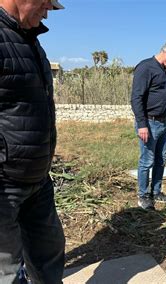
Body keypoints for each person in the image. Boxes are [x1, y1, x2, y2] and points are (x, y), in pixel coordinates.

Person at [0, 0, 66, 283]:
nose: (47, 10)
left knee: (49, 253)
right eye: (44, 2)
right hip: (4, 184)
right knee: (7, 272)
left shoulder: (31, 41)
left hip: (37, 180)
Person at [131, 39, 166, 210]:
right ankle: (143, 195)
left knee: (161, 160)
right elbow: (136, 98)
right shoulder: (146, 67)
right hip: (149, 122)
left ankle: (156, 191)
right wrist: (142, 124)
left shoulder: (165, 72)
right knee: (147, 161)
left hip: (163, 124)